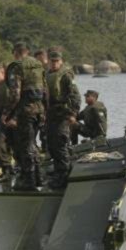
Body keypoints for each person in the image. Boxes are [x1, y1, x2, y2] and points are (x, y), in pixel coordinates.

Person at [4, 42, 46, 191]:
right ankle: (39, 177)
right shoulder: (38, 65)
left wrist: (7, 113)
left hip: (26, 111)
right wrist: (44, 110)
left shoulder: (17, 66)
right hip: (39, 109)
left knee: (26, 145)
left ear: (15, 53)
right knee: (33, 143)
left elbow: (15, 95)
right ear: (27, 51)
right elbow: (45, 89)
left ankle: (28, 180)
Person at [44, 49, 79, 189]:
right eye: (52, 61)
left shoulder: (65, 76)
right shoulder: (47, 75)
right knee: (51, 145)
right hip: (51, 114)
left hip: (62, 114)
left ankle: (63, 176)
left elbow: (75, 96)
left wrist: (72, 113)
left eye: (56, 61)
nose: (54, 64)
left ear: (61, 62)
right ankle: (59, 171)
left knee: (60, 145)